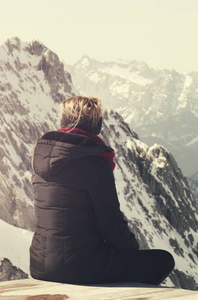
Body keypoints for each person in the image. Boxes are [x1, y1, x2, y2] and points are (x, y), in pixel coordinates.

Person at [29, 96, 175, 285]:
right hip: (79, 266)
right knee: (163, 260)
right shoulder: (95, 163)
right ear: (97, 126)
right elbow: (111, 225)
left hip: (39, 265)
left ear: (62, 122)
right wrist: (131, 250)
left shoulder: (39, 160)